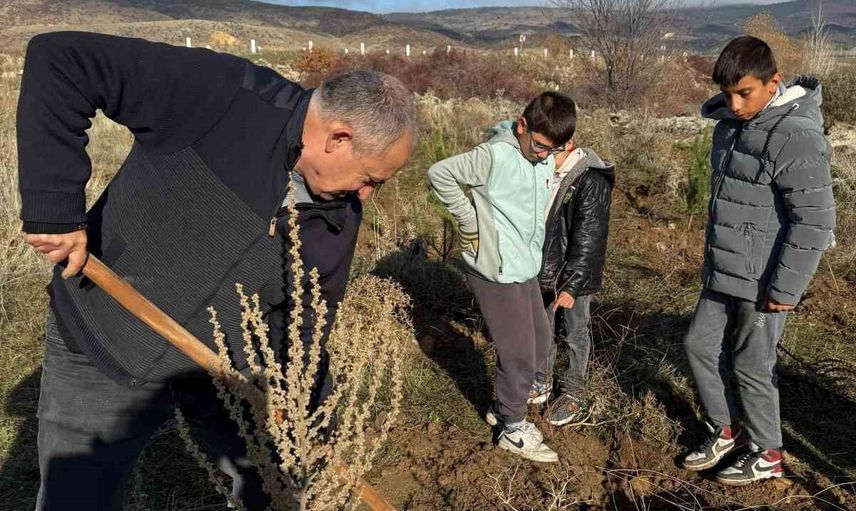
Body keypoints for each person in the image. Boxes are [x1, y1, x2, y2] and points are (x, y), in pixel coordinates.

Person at [18, 31, 416, 509]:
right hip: (104, 337)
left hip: (222, 371)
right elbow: (63, 60)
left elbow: (306, 320)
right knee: (76, 500)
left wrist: (308, 415)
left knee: (275, 487)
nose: (367, 195)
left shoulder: (340, 215)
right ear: (338, 138)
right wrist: (54, 208)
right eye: (370, 178)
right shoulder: (226, 96)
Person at [681, 35, 836, 486]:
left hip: (765, 277)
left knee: (752, 364)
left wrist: (786, 288)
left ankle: (768, 452)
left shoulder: (795, 135)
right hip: (725, 267)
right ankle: (725, 429)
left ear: (774, 82)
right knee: (698, 345)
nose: (734, 104)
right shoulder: (730, 125)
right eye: (727, 94)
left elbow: (814, 219)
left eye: (744, 93)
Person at [427, 92, 576, 463]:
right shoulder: (494, 155)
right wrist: (468, 220)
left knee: (540, 342)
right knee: (519, 353)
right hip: (495, 268)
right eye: (539, 146)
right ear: (522, 126)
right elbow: (440, 173)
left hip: (523, 266)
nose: (543, 155)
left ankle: (504, 402)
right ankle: (512, 427)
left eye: (552, 150)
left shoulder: (541, 155)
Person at [535, 120, 614, 427]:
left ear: (569, 144)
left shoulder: (590, 181)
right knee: (543, 327)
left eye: (549, 150)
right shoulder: (545, 172)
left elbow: (589, 239)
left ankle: (573, 391)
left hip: (574, 276)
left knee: (575, 331)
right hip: (545, 268)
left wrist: (571, 285)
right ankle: (542, 378)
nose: (542, 156)